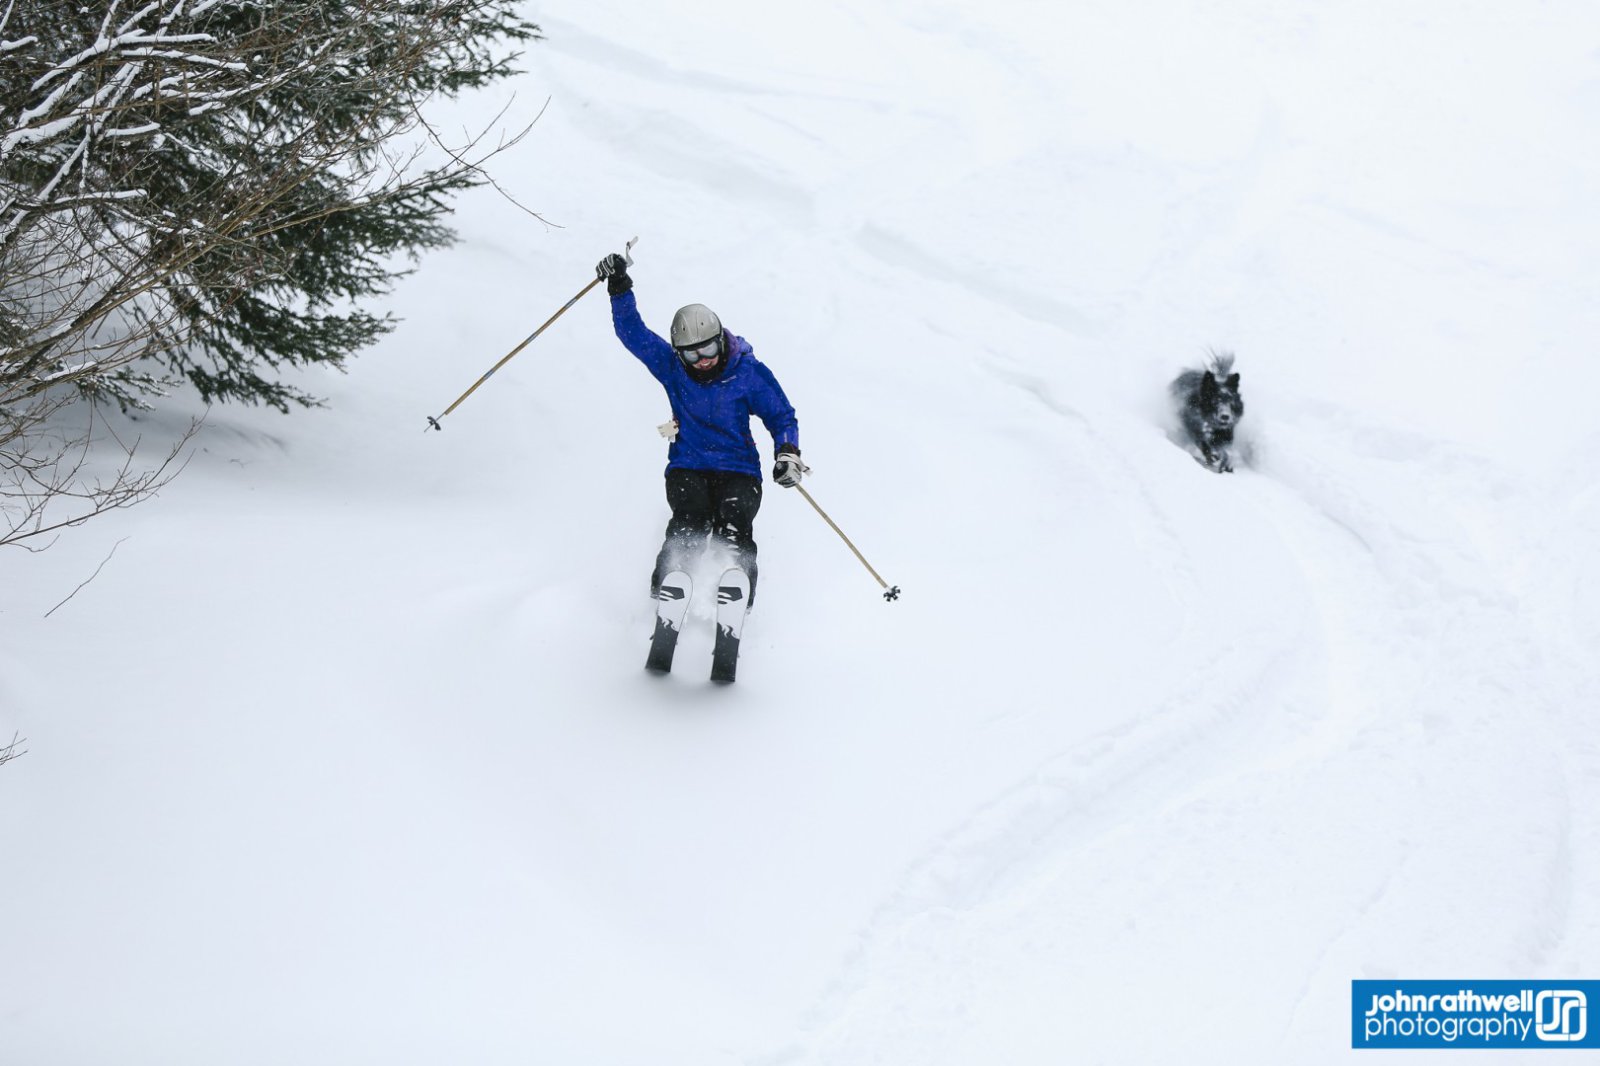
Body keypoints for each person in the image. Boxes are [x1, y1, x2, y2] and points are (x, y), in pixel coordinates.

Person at [596, 251, 804, 607]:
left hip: (739, 471)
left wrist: (788, 453)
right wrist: (619, 287)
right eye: (692, 354)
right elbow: (633, 334)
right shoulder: (673, 369)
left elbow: (781, 416)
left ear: (721, 339)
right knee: (688, 525)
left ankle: (735, 600)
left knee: (734, 524)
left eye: (708, 348)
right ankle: (665, 598)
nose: (703, 359)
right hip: (687, 467)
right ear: (679, 355)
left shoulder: (747, 373)